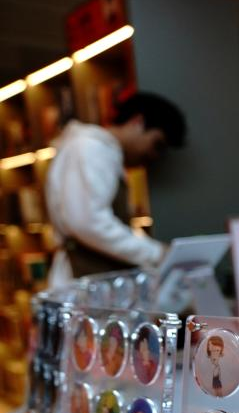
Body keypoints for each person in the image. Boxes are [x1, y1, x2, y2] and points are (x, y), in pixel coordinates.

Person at [45, 92, 186, 285]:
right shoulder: (90, 148)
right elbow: (88, 222)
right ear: (138, 122)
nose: (153, 156)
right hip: (83, 278)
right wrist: (155, 253)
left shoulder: (102, 152)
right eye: (157, 144)